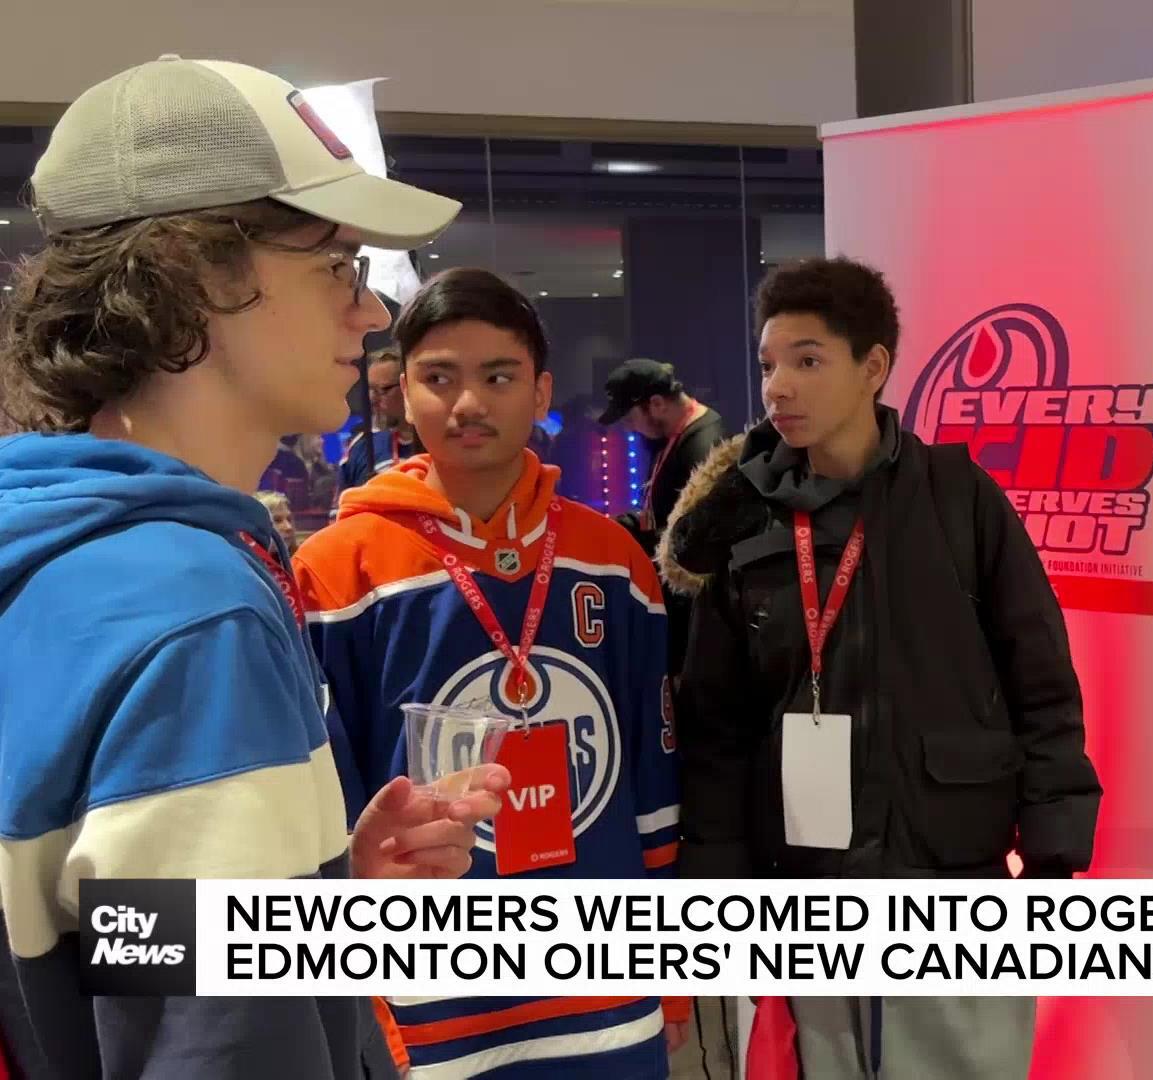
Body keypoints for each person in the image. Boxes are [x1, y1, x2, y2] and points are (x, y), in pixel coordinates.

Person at [0, 56, 506, 1079]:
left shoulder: (50, 560)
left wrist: (312, 900)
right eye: (336, 266)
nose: (371, 315)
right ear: (193, 273)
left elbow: (112, 952)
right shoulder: (195, 614)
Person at [661, 257, 1101, 1079]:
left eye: (807, 360)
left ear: (874, 367)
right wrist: (715, 878)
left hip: (947, 863)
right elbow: (715, 721)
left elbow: (1040, 677)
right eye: (767, 365)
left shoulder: (956, 497)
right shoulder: (745, 522)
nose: (777, 387)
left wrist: (1052, 849)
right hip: (802, 874)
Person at [292, 267, 689, 1078]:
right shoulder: (338, 568)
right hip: (431, 1000)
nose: (468, 403)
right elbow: (334, 797)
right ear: (402, 392)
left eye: (498, 377)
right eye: (439, 377)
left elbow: (652, 781)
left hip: (604, 988)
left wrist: (672, 972)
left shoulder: (613, 559)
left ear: (540, 389)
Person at [603, 357, 731, 672]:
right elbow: (660, 516)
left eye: (629, 419)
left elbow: (697, 545)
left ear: (656, 404)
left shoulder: (703, 445)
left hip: (694, 614)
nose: (629, 429)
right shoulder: (672, 438)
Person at [336, 345, 421, 496]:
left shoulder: (438, 444)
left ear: (407, 387)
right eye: (370, 389)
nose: (372, 398)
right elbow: (340, 514)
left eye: (383, 389)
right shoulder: (361, 448)